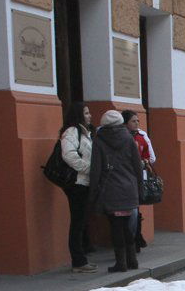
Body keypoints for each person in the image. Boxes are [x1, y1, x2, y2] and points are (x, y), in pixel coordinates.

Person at [89, 110, 144, 273]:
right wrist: (140, 188)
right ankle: (132, 260)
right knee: (127, 226)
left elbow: (95, 169)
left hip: (110, 190)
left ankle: (121, 262)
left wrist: (93, 193)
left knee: (116, 226)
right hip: (129, 188)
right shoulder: (129, 138)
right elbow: (137, 166)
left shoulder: (99, 140)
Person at [59, 102, 96, 273]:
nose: (90, 116)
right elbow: (69, 155)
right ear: (78, 115)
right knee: (77, 222)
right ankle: (78, 261)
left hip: (84, 182)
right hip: (77, 183)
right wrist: (88, 169)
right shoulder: (72, 132)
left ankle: (82, 256)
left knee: (81, 221)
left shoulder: (85, 132)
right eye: (86, 113)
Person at [122, 110, 155, 252]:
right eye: (133, 121)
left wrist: (143, 162)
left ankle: (135, 238)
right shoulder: (121, 138)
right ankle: (129, 240)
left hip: (138, 178)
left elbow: (151, 157)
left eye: (137, 121)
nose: (136, 124)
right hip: (124, 179)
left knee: (135, 210)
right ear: (125, 124)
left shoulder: (142, 137)